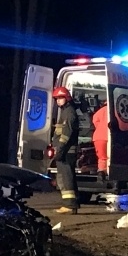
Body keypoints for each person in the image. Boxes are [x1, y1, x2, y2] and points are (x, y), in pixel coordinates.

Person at [52, 86, 80, 214]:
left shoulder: (69, 113)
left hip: (66, 151)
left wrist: (60, 150)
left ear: (67, 98)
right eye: (56, 98)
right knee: (68, 177)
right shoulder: (66, 112)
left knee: (66, 178)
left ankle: (69, 205)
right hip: (66, 150)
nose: (58, 100)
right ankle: (71, 204)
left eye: (60, 98)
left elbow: (66, 134)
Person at [91, 98, 109, 180]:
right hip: (111, 136)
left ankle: (101, 173)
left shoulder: (101, 111)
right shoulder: (115, 111)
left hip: (99, 137)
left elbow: (95, 119)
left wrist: (100, 127)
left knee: (102, 157)